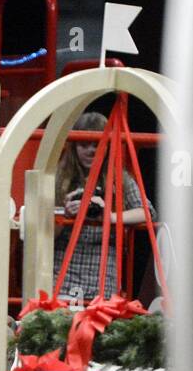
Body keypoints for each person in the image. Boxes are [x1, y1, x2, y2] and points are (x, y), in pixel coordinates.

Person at [51, 111, 156, 301]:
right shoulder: (57, 178)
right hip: (63, 273)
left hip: (103, 274)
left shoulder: (120, 178)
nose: (91, 151)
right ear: (73, 147)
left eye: (97, 144)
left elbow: (147, 212)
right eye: (84, 144)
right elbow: (43, 233)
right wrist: (65, 215)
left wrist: (110, 217)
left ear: (108, 146)